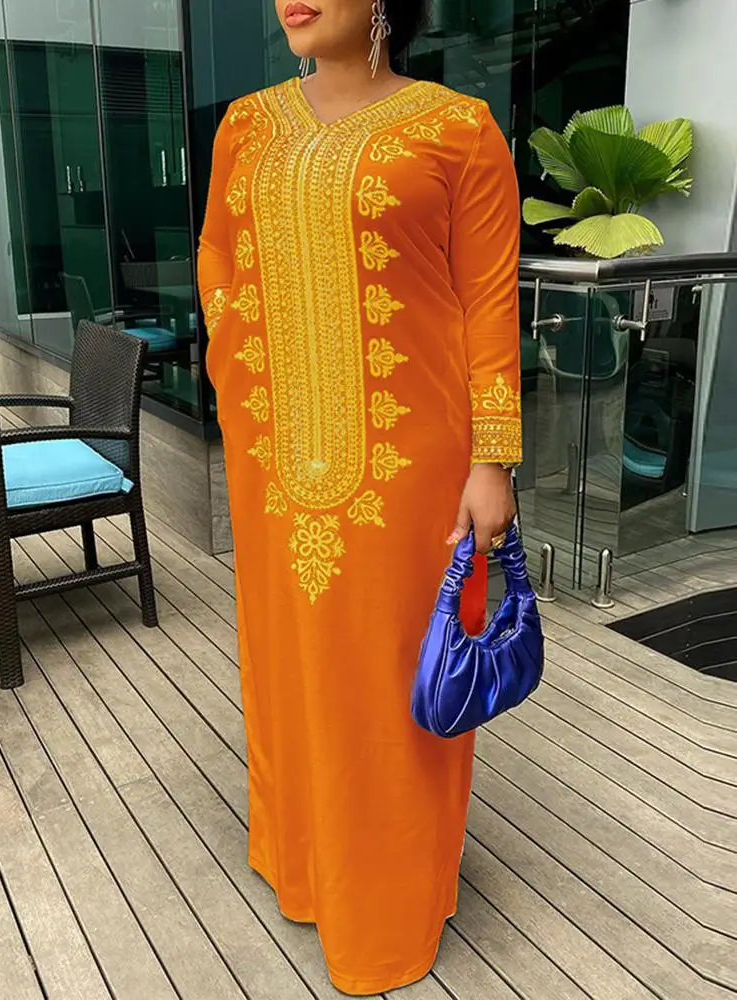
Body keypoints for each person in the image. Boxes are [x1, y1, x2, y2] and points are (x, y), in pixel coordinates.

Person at [198, 0, 522, 993]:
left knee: (394, 679)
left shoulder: (457, 128)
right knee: (289, 661)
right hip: (276, 459)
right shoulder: (246, 125)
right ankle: (303, 864)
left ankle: (387, 907)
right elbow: (219, 258)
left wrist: (493, 459)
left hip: (413, 466)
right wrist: (245, 376)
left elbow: (489, 299)